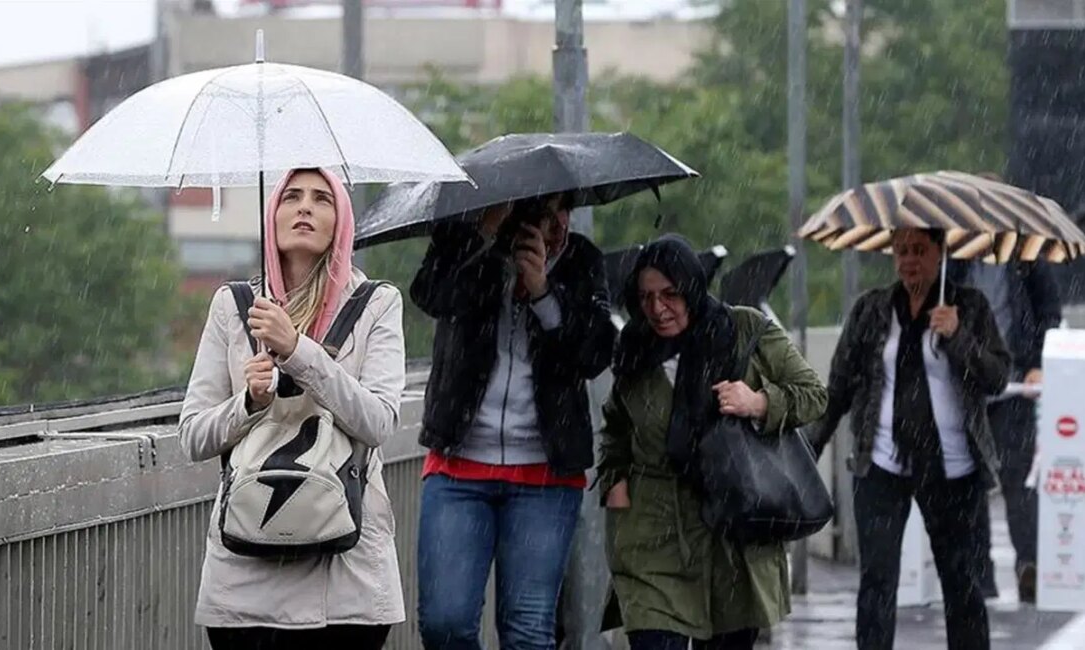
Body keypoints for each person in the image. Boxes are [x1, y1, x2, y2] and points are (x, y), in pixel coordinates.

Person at [178, 168, 406, 649]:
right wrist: (248, 403)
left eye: (322, 198)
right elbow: (193, 436)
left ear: (341, 220)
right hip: (246, 573)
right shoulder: (234, 306)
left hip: (345, 575)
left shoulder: (377, 304)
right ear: (272, 214)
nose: (305, 207)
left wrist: (298, 350)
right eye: (292, 197)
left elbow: (379, 422)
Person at [598, 234, 827, 650]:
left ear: (692, 287)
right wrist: (614, 479)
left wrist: (758, 401)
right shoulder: (634, 348)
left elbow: (813, 395)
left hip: (732, 525)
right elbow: (616, 422)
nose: (657, 308)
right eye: (646, 296)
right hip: (653, 531)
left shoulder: (745, 330)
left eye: (670, 294)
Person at [411, 193, 617, 649]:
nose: (555, 222)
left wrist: (545, 293)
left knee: (527, 629)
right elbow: (430, 294)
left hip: (545, 472)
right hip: (459, 465)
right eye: (541, 211)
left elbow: (595, 353)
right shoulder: (465, 244)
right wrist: (482, 237)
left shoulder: (581, 260)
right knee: (445, 623)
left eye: (563, 209)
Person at [810, 228, 1011, 650]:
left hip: (953, 468)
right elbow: (840, 385)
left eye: (919, 250)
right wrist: (811, 444)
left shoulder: (969, 305)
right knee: (878, 582)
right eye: (901, 251)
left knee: (962, 585)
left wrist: (958, 336)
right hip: (881, 462)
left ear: (941, 252)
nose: (908, 260)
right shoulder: (872, 309)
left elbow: (997, 378)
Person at [948, 223, 1062, 602]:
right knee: (971, 483)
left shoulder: (1026, 258)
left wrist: (1038, 361)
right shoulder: (956, 262)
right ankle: (982, 576)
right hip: (969, 387)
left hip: (1015, 383)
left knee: (1018, 478)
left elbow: (1049, 312)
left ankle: (1029, 564)